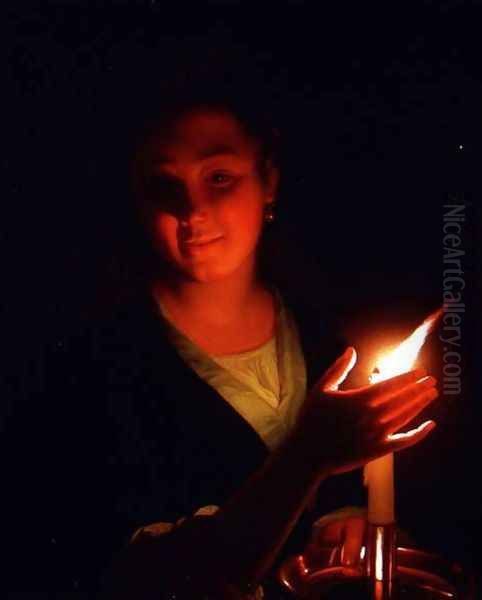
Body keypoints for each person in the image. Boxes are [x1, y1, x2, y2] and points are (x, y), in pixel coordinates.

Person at [2, 78, 438, 599]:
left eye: (220, 177)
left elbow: (343, 497)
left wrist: (342, 523)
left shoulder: (323, 330)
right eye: (165, 186)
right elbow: (145, 574)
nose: (194, 211)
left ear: (268, 179)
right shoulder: (98, 367)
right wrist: (308, 456)